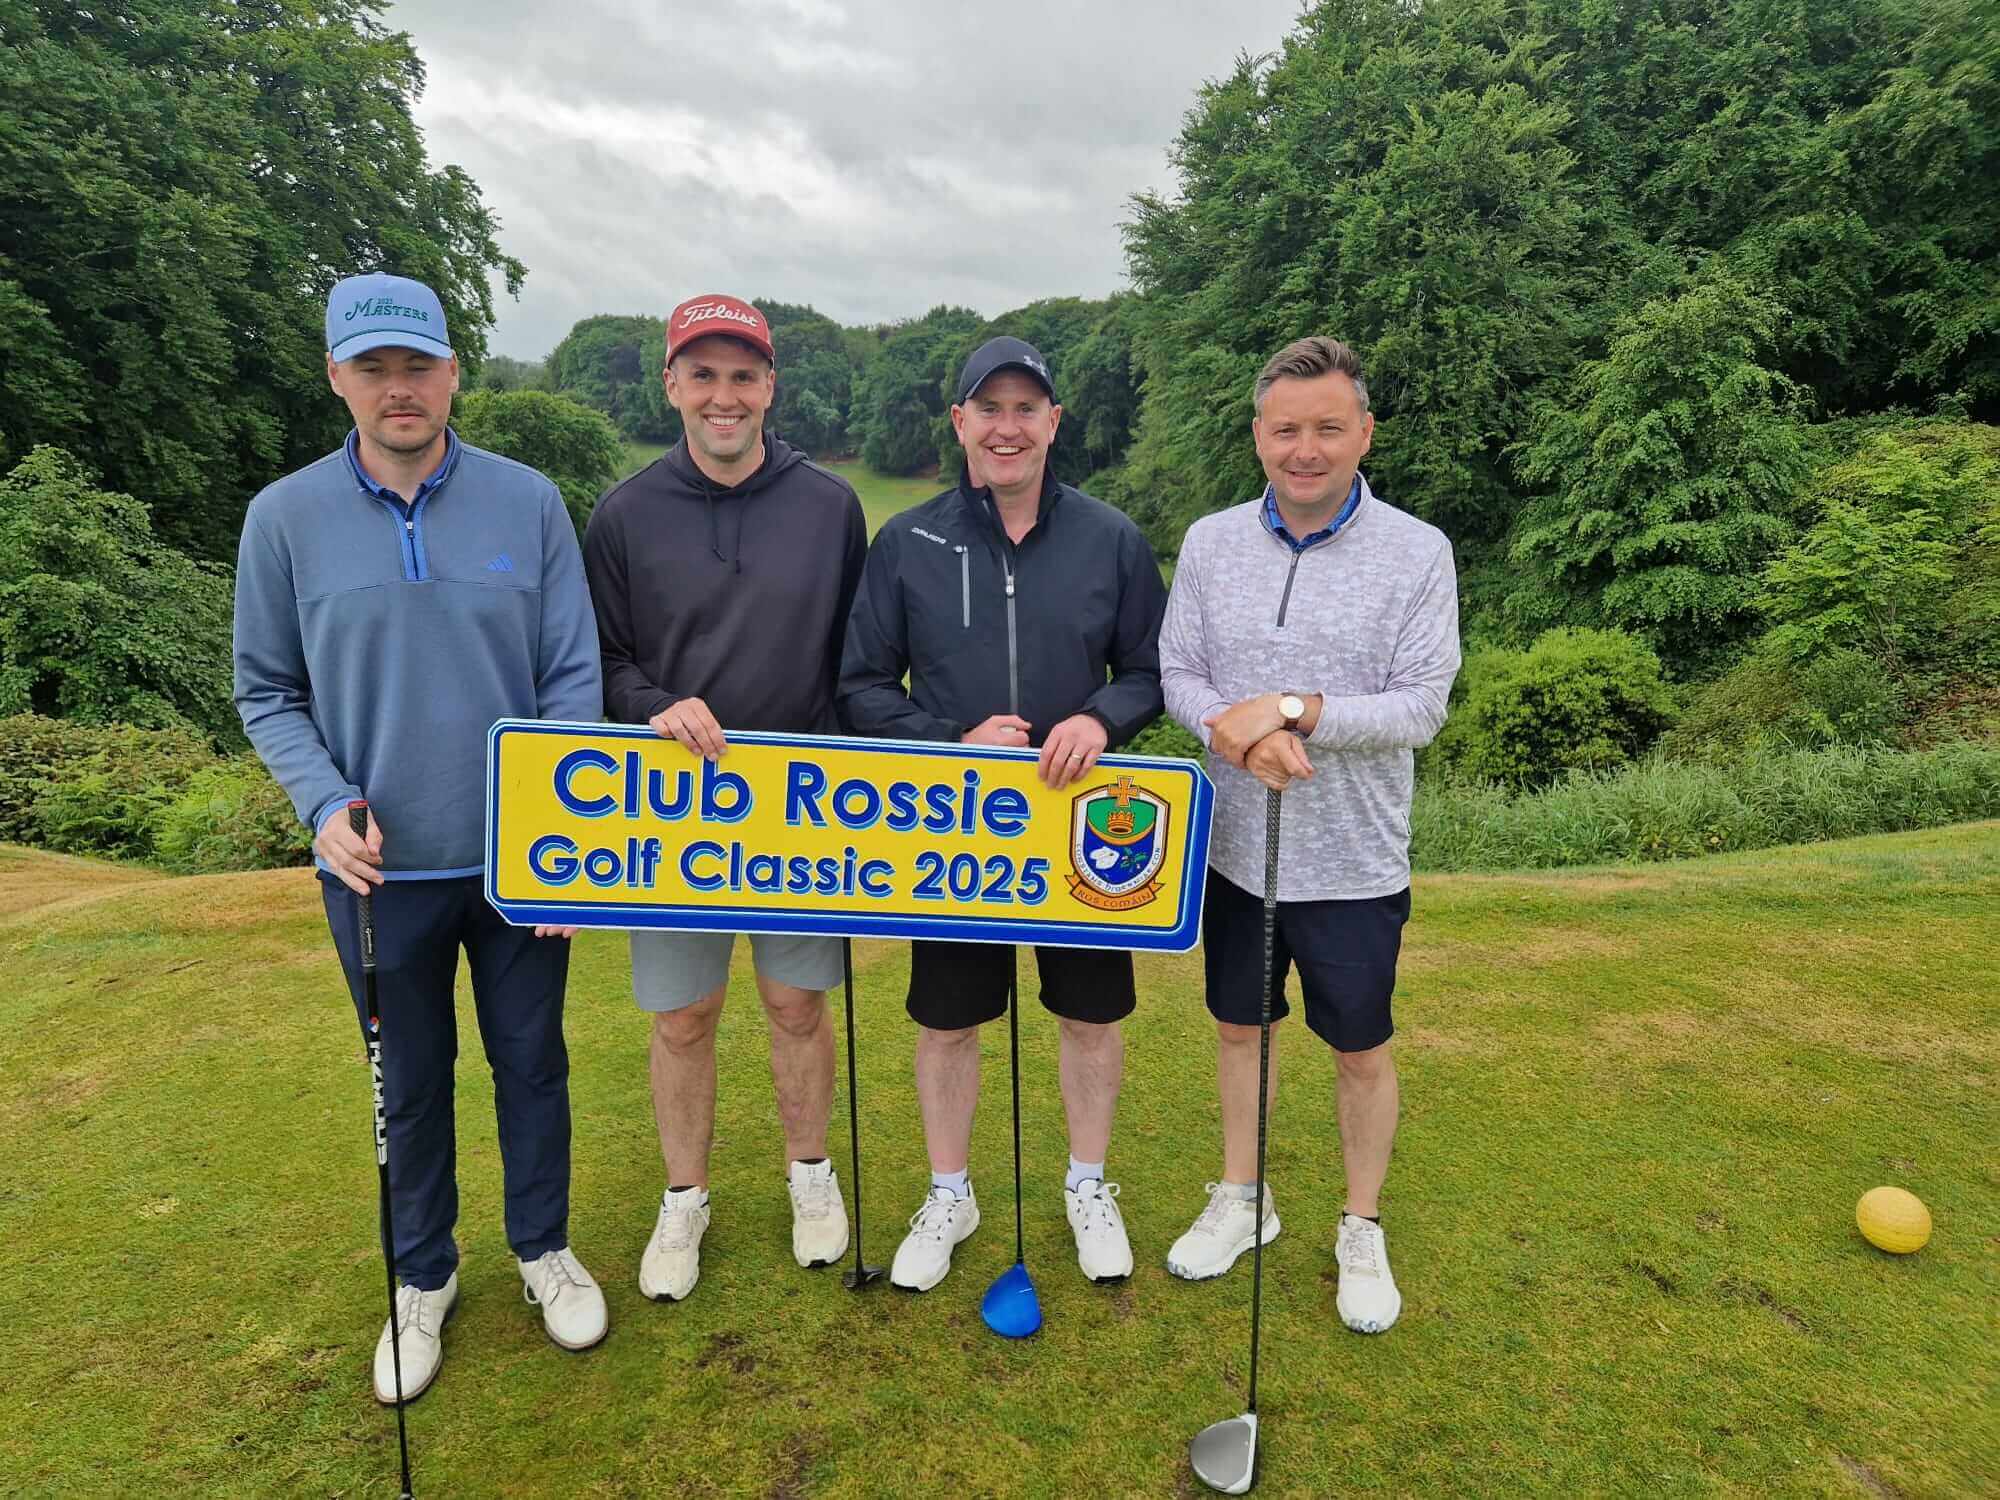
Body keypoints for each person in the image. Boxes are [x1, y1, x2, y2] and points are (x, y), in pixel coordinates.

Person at [233, 272, 609, 1403]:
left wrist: (562, 843)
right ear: (337, 378)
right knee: (408, 1080)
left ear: (451, 372)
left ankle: (542, 1248)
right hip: (376, 870)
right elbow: (266, 690)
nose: (398, 389)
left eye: (417, 366)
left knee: (532, 1063)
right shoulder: (283, 517)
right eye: (373, 369)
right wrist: (322, 804)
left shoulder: (528, 502)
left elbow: (569, 676)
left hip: (518, 867)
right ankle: (422, 1276)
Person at [838, 336, 1168, 1291]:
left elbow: (1151, 669)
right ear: (961, 423)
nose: (1008, 427)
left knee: (1090, 1015)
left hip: (1083, 826)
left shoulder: (1111, 537)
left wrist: (1099, 719)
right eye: (990, 408)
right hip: (957, 826)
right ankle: (951, 1193)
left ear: (1054, 422)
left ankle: (1087, 1183)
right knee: (948, 1021)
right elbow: (861, 685)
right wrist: (951, 739)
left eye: (1027, 408)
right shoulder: (908, 541)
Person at [1157, 335, 1459, 1334]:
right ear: (1258, 435)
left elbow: (1418, 706)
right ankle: (1244, 1197)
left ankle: (1360, 1224)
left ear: (1364, 432)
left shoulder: (1416, 550)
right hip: (1233, 853)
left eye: (1329, 427)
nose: (1306, 449)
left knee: (1359, 1045)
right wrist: (1236, 735)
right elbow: (1180, 674)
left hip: (1355, 862)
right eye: (1286, 429)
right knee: (1240, 1029)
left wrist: (1292, 710)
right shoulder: (1210, 543)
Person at [583, 293, 868, 1303]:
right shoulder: (623, 514)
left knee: (796, 1005)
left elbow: (858, 658)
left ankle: (811, 1176)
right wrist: (653, 706)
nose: (724, 395)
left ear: (770, 386)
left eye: (742, 375)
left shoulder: (829, 507)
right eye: (701, 374)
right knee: (682, 1017)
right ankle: (684, 1198)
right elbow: (602, 662)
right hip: (671, 811)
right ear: (671, 384)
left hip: (802, 809)